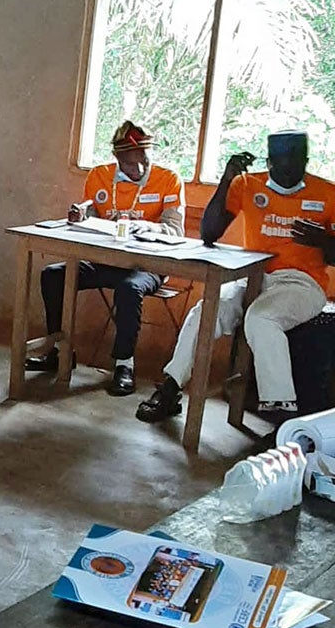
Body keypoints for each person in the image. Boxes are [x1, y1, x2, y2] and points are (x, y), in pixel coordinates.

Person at [138, 131, 335, 423]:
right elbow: (209, 233)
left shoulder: (327, 193)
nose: (288, 170)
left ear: (306, 160)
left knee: (261, 318)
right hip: (251, 275)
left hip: (301, 283)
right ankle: (170, 388)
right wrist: (227, 180)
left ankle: (281, 412)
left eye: (296, 163)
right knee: (206, 310)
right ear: (268, 162)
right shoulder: (248, 184)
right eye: (280, 164)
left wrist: (324, 241)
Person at [26, 122, 184, 395]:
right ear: (117, 159)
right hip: (105, 260)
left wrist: (151, 227)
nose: (138, 169)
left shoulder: (169, 178)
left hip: (147, 265)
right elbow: (94, 217)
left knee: (129, 288)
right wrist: (81, 216)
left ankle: (124, 364)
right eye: (129, 164)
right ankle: (61, 352)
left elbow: (175, 228)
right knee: (53, 275)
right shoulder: (100, 176)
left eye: (143, 161)